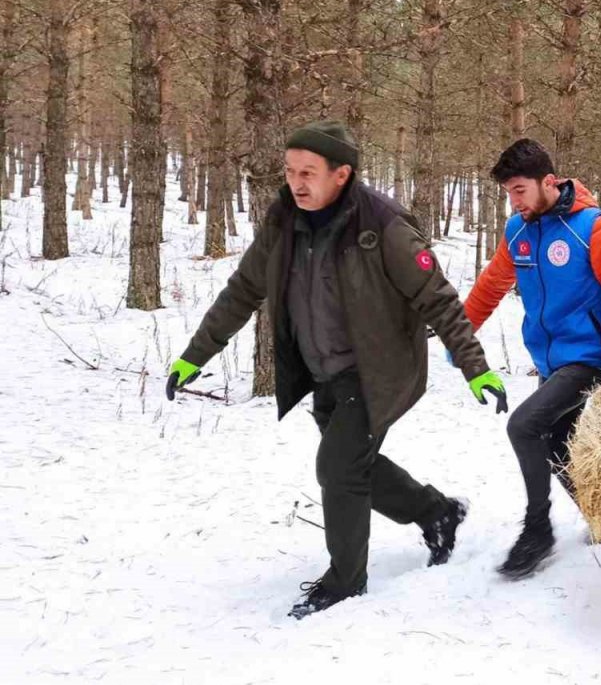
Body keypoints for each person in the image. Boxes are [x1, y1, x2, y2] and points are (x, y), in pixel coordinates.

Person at [164, 121, 507, 619]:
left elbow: (438, 298)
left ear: (342, 174)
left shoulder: (382, 226)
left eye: (308, 172)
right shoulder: (284, 221)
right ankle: (437, 513)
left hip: (379, 370)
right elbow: (243, 290)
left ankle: (346, 582)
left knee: (337, 469)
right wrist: (196, 355)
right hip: (324, 370)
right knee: (353, 464)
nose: (296, 182)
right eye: (290, 171)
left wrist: (475, 368)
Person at [463, 138, 601, 579]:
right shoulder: (518, 230)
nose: (514, 200)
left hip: (589, 357)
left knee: (524, 426)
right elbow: (490, 286)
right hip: (549, 360)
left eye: (520, 190)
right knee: (556, 440)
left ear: (548, 182)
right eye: (508, 192)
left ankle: (538, 530)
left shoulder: (593, 228)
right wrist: (458, 332)